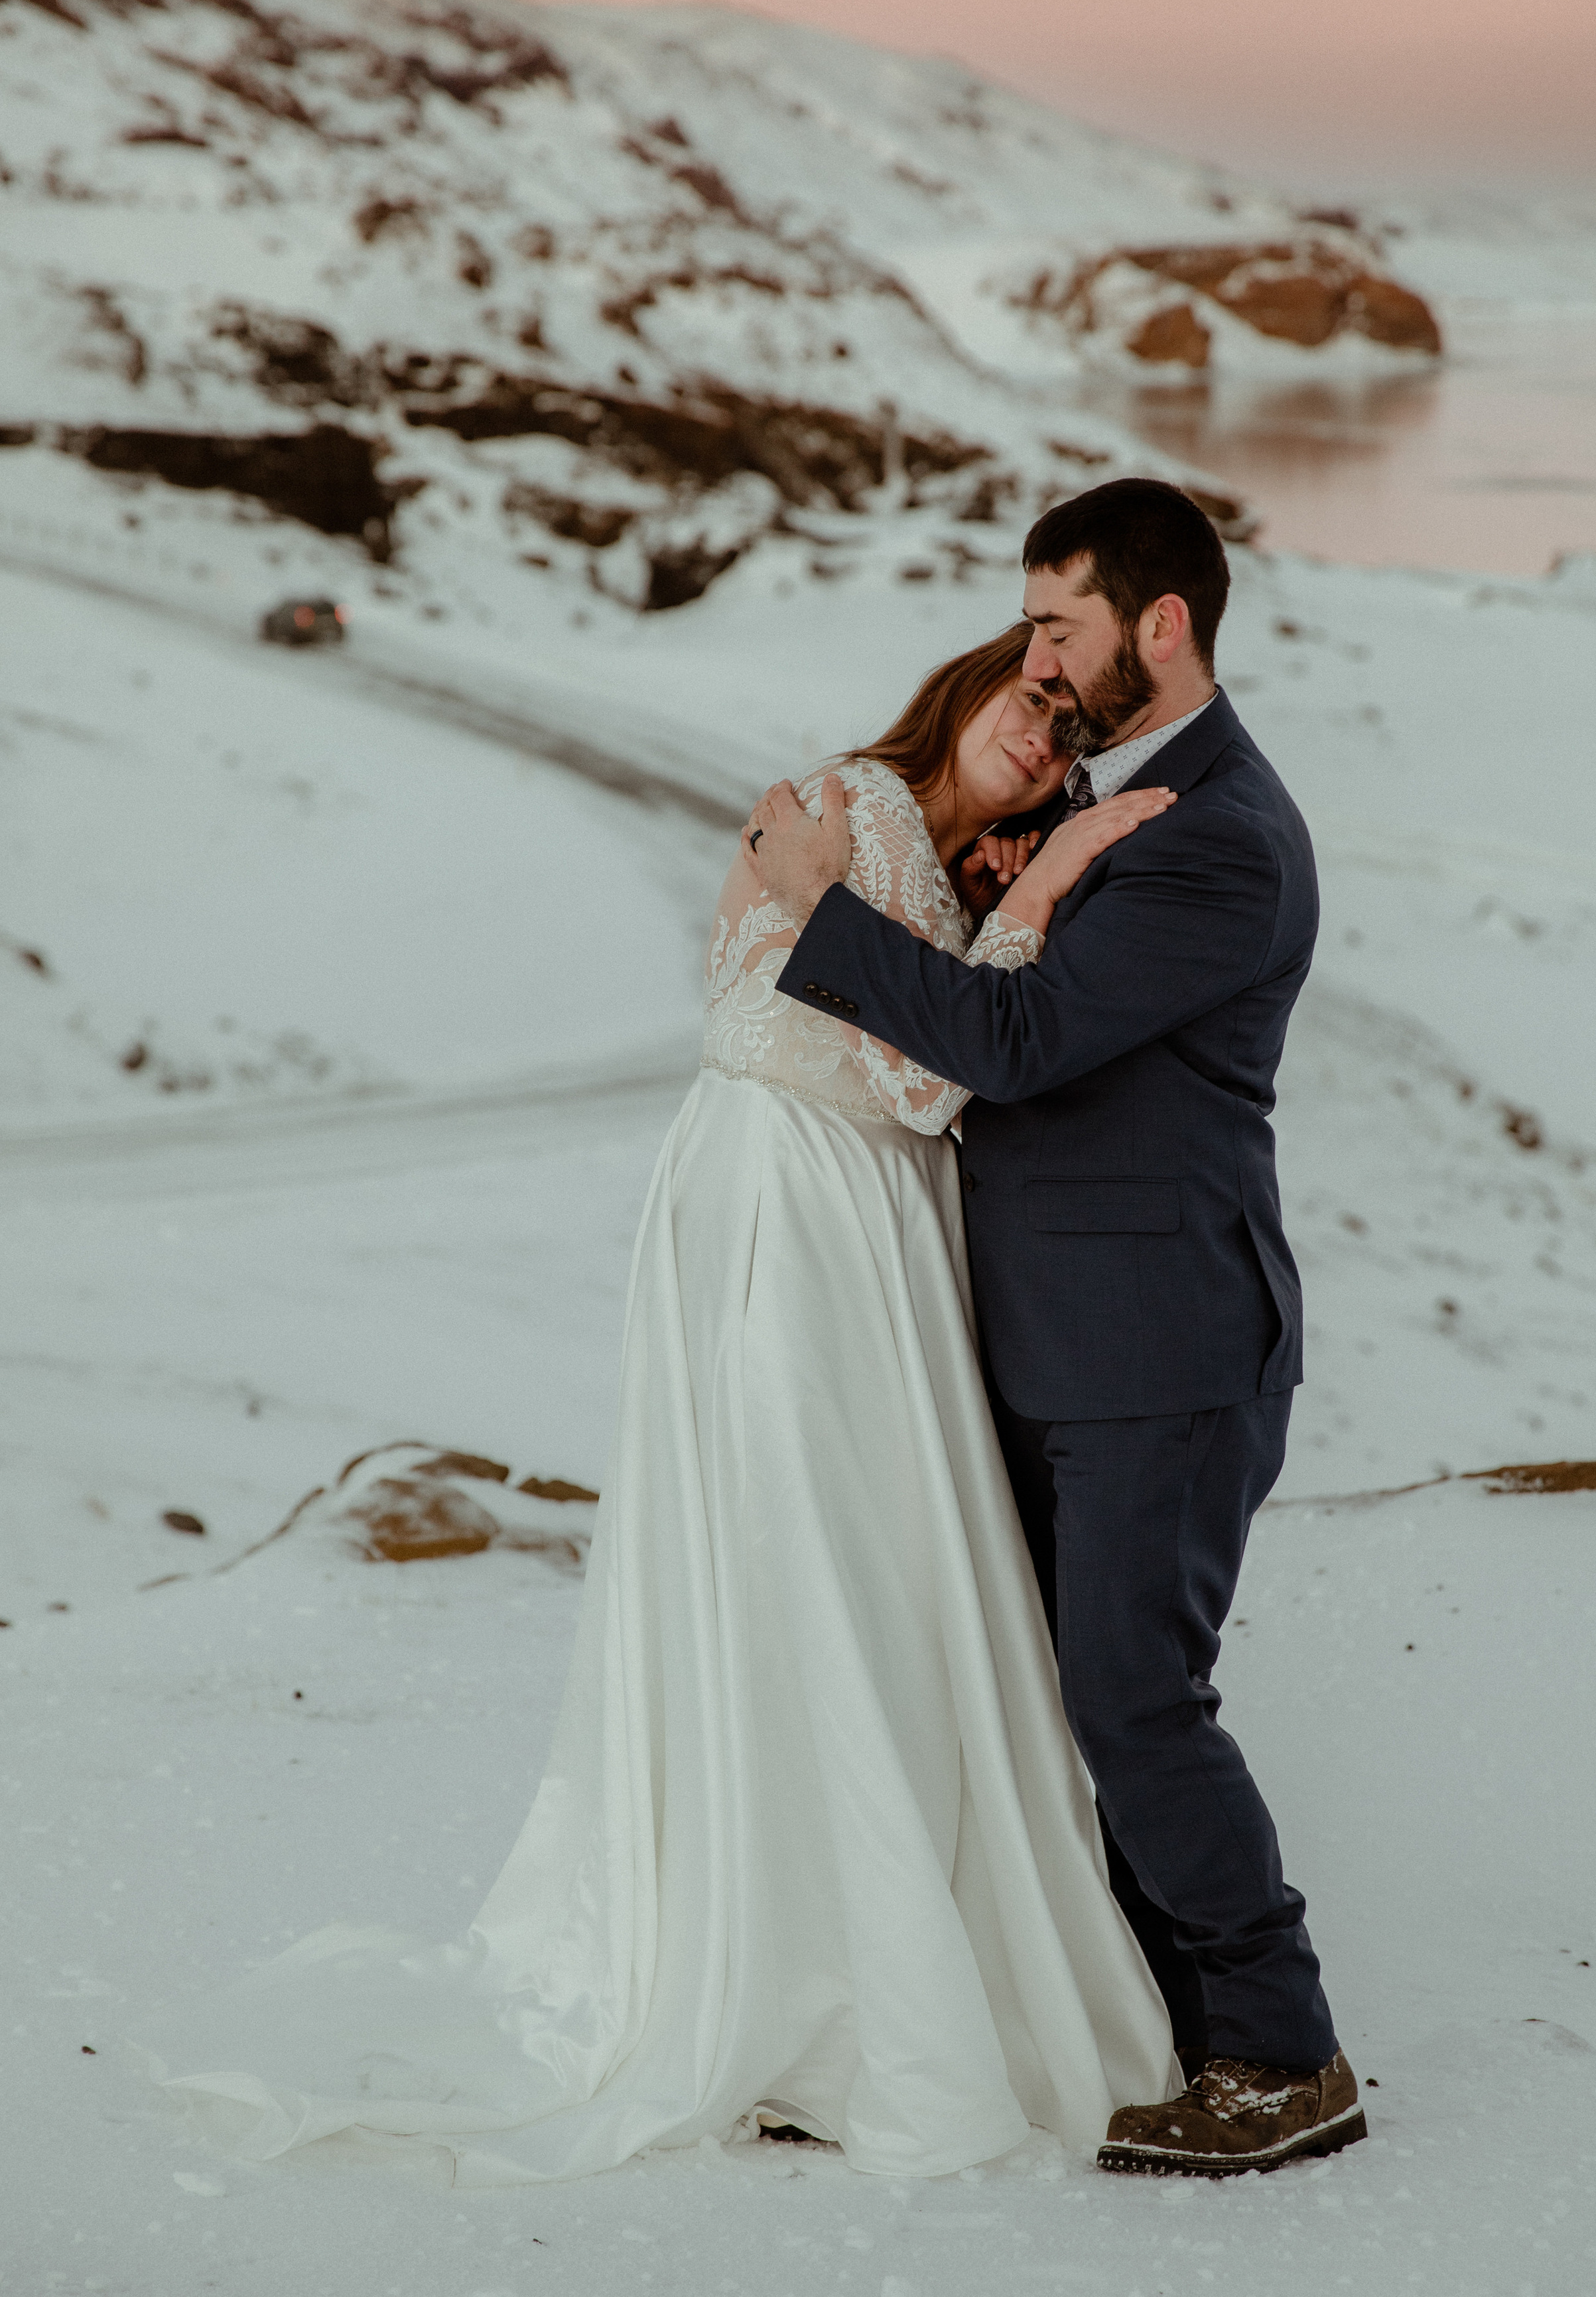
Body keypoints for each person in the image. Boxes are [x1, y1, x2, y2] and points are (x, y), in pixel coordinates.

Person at [157, 623, 1182, 2184]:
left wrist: (992, 916)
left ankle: (811, 1959)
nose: (1042, 736)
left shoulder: (900, 848)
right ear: (962, 685)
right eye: (1027, 698)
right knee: (815, 1566)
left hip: (834, 1211)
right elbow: (922, 1085)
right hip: (795, 1206)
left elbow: (910, 1045)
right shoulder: (860, 809)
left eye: (1066, 735)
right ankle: (812, 1982)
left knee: (833, 1570)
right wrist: (1034, 901)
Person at [746, 477, 1366, 2179]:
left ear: (1159, 625)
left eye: (1058, 626)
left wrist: (822, 910)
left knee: (1132, 1701)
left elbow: (1012, 1047)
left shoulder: (1218, 835)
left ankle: (1278, 2051)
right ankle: (1113, 2015)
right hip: (1059, 1343)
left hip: (1158, 1349)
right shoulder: (1134, 801)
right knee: (1045, 1698)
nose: (1035, 657)